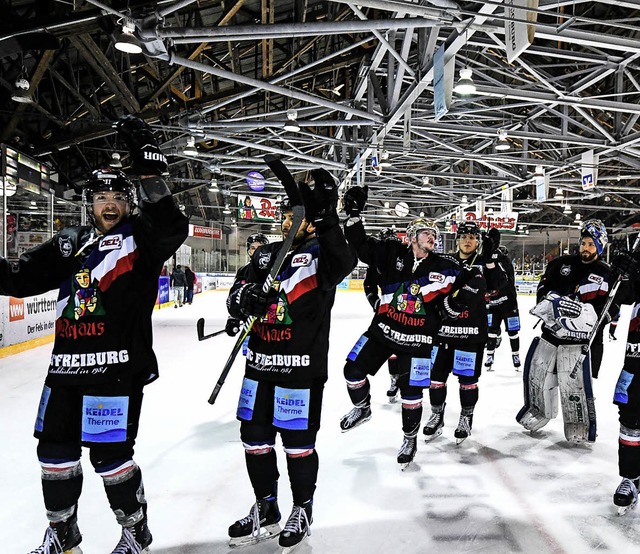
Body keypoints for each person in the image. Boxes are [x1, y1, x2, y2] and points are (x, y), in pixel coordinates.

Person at [0, 115, 189, 553]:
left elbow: (171, 227)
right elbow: (22, 276)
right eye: (101, 196)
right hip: (65, 369)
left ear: (129, 202)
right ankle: (63, 532)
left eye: (118, 197)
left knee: (109, 459)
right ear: (89, 202)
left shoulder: (142, 237)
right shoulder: (72, 243)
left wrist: (148, 173)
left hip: (116, 372)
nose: (109, 204)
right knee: (53, 455)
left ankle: (134, 530)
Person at [225, 169, 355, 550]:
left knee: (298, 445)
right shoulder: (266, 255)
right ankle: (266, 507)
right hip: (259, 370)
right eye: (285, 216)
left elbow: (345, 261)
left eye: (297, 218)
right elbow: (235, 295)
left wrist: (327, 217)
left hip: (301, 371)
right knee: (254, 441)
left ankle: (302, 508)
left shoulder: (322, 255)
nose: (288, 222)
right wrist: (243, 300)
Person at [338, 185, 469, 467]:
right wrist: (353, 214)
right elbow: (360, 244)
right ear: (411, 238)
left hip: (419, 342)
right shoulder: (390, 252)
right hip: (383, 331)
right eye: (426, 233)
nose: (432, 238)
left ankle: (410, 439)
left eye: (434, 235)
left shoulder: (445, 265)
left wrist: (454, 306)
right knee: (352, 370)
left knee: (411, 395)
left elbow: (475, 285)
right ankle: (362, 408)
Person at [516, 219, 616, 443]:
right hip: (551, 335)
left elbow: (612, 308)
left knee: (574, 386)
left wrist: (587, 316)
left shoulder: (606, 273)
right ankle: (537, 411)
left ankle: (578, 424)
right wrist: (548, 303)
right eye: (584, 243)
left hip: (580, 342)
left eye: (591, 245)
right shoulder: (562, 263)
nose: (586, 249)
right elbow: (543, 288)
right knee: (539, 377)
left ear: (600, 246)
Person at [423, 221, 505, 444]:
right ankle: (437, 415)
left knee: (467, 381)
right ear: (457, 239)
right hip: (442, 333)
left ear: (478, 241)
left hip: (470, 335)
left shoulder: (483, 261)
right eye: (464, 236)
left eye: (472, 237)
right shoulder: (445, 262)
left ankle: (466, 417)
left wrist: (490, 259)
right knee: (436, 379)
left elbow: (499, 284)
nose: (468, 240)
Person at [362, 228, 401, 400]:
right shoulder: (375, 264)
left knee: (406, 348)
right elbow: (369, 285)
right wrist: (375, 302)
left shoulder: (404, 258)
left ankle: (407, 381)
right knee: (389, 347)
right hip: (385, 313)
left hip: (406, 311)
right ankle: (394, 379)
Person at [225, 233, 270, 343]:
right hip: (250, 323)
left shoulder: (275, 268)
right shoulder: (244, 270)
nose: (256, 251)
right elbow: (236, 293)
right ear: (249, 250)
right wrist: (233, 317)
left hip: (273, 324)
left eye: (260, 248)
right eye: (253, 248)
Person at [485, 245, 522, 371]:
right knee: (491, 332)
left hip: (509, 306)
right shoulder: (489, 267)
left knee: (513, 332)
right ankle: (489, 357)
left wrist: (494, 252)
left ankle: (516, 356)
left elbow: (503, 270)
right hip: (493, 305)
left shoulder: (506, 266)